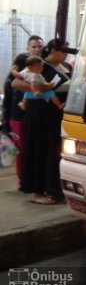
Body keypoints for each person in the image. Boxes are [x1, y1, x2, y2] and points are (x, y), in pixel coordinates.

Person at [14, 38, 74, 204]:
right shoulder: (38, 64)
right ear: (53, 50)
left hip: (58, 116)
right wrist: (43, 89)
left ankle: (54, 187)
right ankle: (38, 190)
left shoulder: (67, 67)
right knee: (40, 151)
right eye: (63, 52)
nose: (65, 55)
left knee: (55, 154)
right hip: (39, 115)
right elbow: (16, 83)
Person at [1, 35, 44, 185]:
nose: (37, 49)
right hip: (18, 115)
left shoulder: (42, 65)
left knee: (32, 148)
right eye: (34, 46)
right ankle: (23, 181)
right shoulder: (21, 62)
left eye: (39, 46)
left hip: (33, 115)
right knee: (22, 150)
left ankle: (30, 178)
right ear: (27, 48)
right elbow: (11, 87)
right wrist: (5, 121)